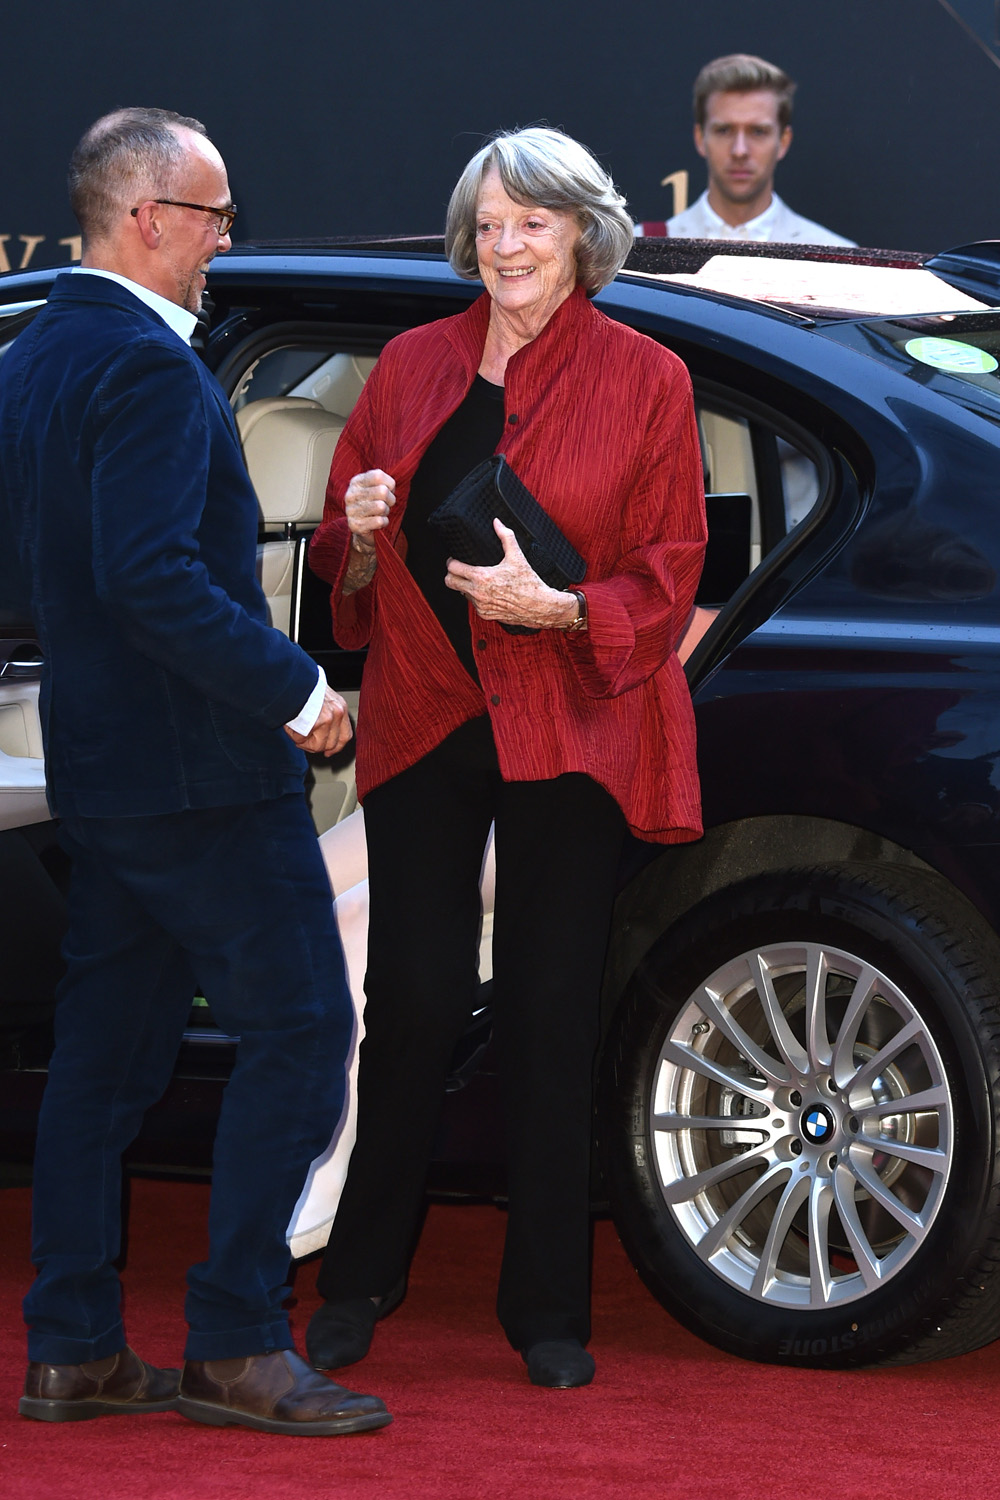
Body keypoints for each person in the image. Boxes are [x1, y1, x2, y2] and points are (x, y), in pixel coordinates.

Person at [0, 107, 390, 1437]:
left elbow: (55, 581)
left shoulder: (38, 354)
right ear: (146, 218)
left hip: (101, 767)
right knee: (304, 1031)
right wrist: (299, 693)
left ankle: (72, 1347)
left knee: (104, 1067)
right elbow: (154, 579)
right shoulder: (153, 374)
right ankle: (233, 1338)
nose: (229, 239)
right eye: (216, 215)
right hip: (204, 779)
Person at [305, 126, 707, 1389]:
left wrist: (562, 612)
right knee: (411, 1002)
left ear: (584, 232)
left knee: (545, 1007)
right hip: (428, 707)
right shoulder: (411, 366)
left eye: (530, 223)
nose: (503, 247)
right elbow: (339, 569)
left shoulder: (648, 378)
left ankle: (545, 1311)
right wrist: (361, 536)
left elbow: (671, 564)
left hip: (572, 713)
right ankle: (360, 1277)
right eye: (485, 224)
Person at [660, 54, 855, 245]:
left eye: (758, 132)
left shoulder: (834, 259)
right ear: (700, 138)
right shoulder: (637, 250)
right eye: (724, 130)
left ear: (784, 141)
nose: (739, 151)